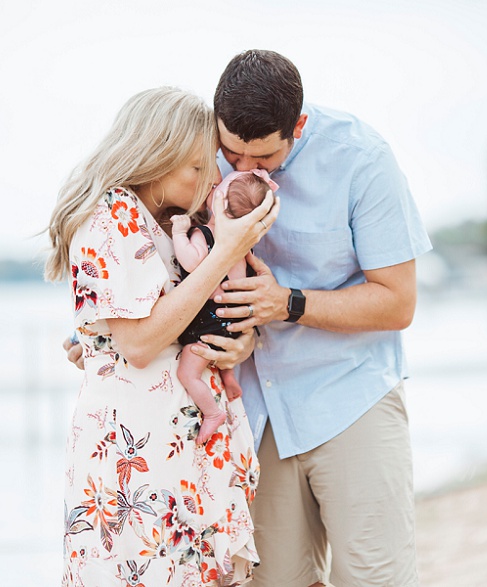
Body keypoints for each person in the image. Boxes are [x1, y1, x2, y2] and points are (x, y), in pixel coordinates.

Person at [64, 51, 431, 587]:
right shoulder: (196, 154)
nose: (239, 169)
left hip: (348, 399)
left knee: (377, 579)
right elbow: (144, 268)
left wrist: (287, 304)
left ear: (298, 127)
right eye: (228, 152)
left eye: (261, 158)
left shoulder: (362, 159)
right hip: (251, 413)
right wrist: (94, 330)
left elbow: (398, 302)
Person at [46, 86, 279, 586]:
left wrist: (241, 344)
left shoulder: (161, 223)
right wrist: (226, 248)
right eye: (197, 167)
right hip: (138, 451)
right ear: (154, 157)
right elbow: (138, 343)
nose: (209, 178)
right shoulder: (111, 213)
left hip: (174, 444)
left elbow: (188, 317)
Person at [171, 169, 279, 445]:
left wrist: (180, 233)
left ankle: (212, 413)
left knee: (187, 371)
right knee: (220, 351)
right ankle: (228, 376)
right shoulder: (246, 248)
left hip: (208, 322)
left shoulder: (206, 235)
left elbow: (192, 262)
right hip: (232, 324)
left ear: (217, 202)